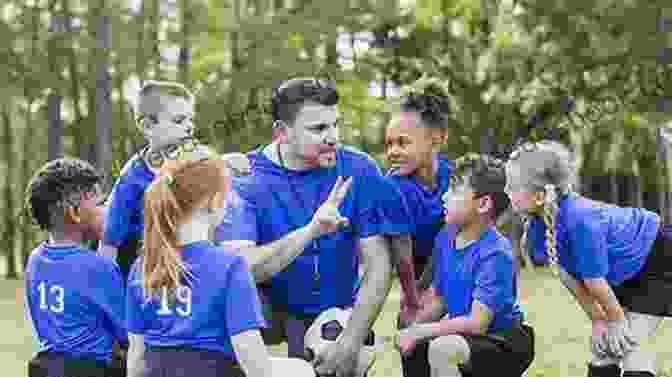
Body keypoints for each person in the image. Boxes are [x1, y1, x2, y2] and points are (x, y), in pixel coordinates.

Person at [217, 76, 409, 377]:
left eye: (335, 124)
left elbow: (378, 265)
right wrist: (311, 231)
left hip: (334, 316)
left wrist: (351, 341)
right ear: (282, 132)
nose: (332, 137)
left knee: (350, 354)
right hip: (266, 317)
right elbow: (245, 267)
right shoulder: (246, 179)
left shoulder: (359, 169)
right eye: (319, 129)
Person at [125, 158, 315, 377]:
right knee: (299, 369)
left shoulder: (142, 266)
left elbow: (137, 355)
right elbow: (247, 348)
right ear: (213, 202)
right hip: (210, 369)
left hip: (158, 370)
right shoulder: (229, 266)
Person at [505, 140, 672, 377]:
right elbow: (571, 279)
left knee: (631, 345)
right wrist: (598, 321)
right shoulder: (537, 228)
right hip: (623, 272)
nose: (506, 192)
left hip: (657, 257)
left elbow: (594, 281)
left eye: (512, 186)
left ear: (540, 196)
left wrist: (615, 320)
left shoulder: (580, 221)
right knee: (603, 350)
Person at [395, 154, 535, 377]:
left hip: (503, 341)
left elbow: (477, 323)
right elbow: (442, 300)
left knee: (443, 349)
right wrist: (412, 326)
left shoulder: (496, 253)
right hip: (470, 337)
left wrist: (421, 330)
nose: (445, 196)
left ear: (483, 204)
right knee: (416, 345)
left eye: (455, 190)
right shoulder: (445, 237)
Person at [98, 80, 249, 280]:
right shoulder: (133, 177)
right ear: (147, 126)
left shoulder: (196, 157)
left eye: (190, 120)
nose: (188, 128)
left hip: (194, 256)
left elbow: (209, 171)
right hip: (148, 265)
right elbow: (109, 242)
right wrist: (110, 288)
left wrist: (227, 161)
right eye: (179, 121)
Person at [23, 158, 127, 377]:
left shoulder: (35, 260)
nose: (105, 211)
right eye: (99, 204)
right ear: (75, 213)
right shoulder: (99, 267)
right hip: (91, 370)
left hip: (47, 368)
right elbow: (125, 332)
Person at [383, 76, 454, 331]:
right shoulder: (393, 188)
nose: (392, 151)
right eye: (389, 144)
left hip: (454, 266)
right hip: (414, 273)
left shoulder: (455, 179)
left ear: (437, 137)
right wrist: (413, 300)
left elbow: (453, 236)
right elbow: (402, 254)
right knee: (410, 322)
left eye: (402, 143)